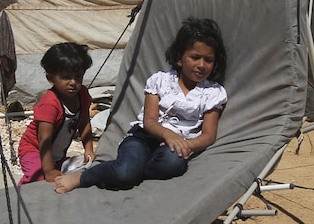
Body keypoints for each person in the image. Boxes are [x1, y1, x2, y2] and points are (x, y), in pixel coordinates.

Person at [54, 17, 227, 194]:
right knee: (128, 170)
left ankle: (124, 173)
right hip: (143, 137)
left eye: (208, 60)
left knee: (172, 165)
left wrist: (187, 145)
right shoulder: (160, 81)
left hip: (176, 147)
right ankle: (84, 177)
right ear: (179, 58)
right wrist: (168, 135)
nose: (201, 65)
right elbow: (149, 121)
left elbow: (208, 135)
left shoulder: (213, 93)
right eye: (195, 57)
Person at [17, 42, 95, 185]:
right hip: (34, 150)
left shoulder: (82, 94)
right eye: (66, 77)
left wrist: (88, 149)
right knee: (39, 180)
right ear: (51, 78)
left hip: (56, 154)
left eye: (78, 76)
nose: (73, 82)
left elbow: (84, 123)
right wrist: (48, 171)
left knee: (83, 170)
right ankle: (23, 192)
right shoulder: (50, 104)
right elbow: (44, 139)